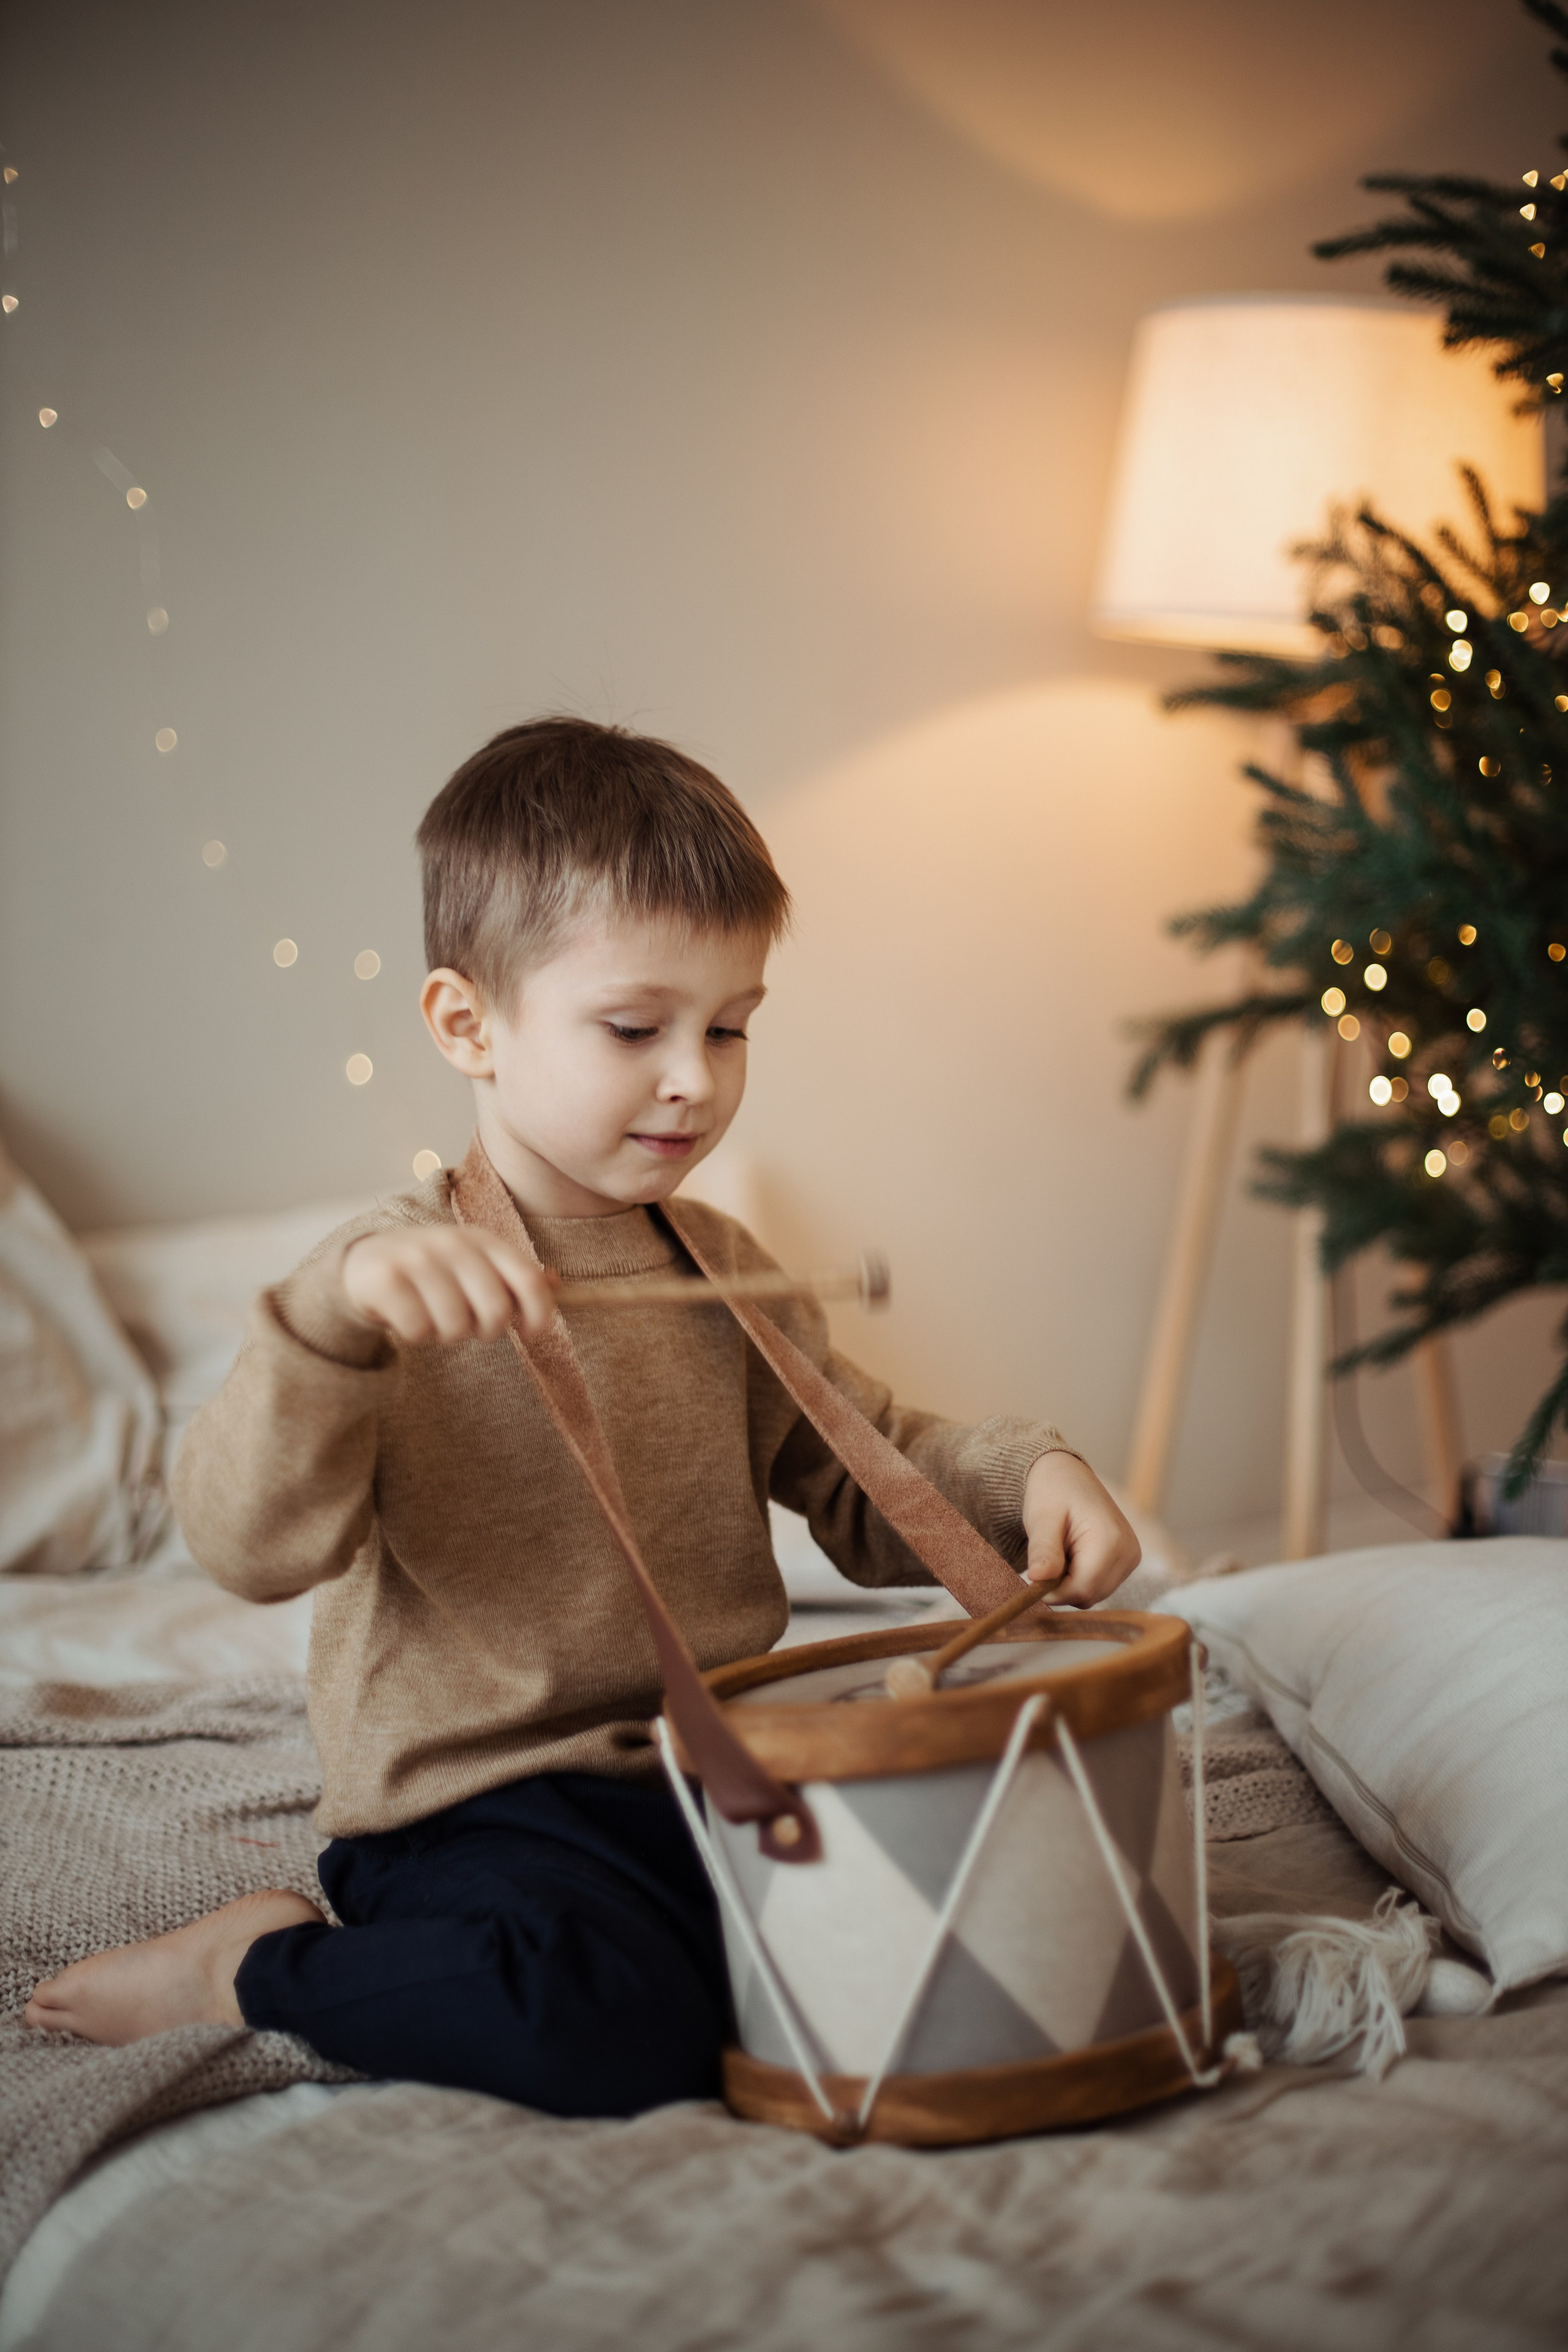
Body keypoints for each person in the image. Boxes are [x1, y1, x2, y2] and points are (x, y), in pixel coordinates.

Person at [25, 717, 1139, 2113]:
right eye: (633, 1029)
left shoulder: (722, 1269)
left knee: (957, 1926)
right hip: (479, 1811)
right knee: (595, 2021)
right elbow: (247, 1545)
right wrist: (326, 1326)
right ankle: (252, 1968)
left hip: (709, 1771)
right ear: (467, 1025)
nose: (696, 1077)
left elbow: (871, 1476)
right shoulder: (381, 1282)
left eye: (729, 1028)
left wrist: (1027, 1476)